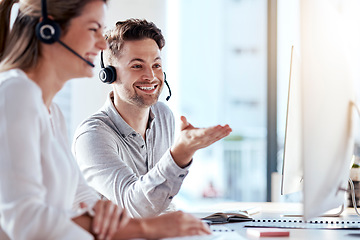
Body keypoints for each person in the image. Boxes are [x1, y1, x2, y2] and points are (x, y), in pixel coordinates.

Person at [0, 1, 211, 239]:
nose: (101, 44)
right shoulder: (14, 93)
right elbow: (25, 220)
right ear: (47, 30)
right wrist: (144, 228)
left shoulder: (52, 112)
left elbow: (82, 200)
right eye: (93, 29)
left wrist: (103, 214)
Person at [72, 19, 232, 218]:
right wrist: (180, 154)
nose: (151, 76)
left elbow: (157, 203)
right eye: (137, 66)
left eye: (156, 65)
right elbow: (135, 207)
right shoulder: (92, 135)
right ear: (110, 75)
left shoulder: (163, 116)